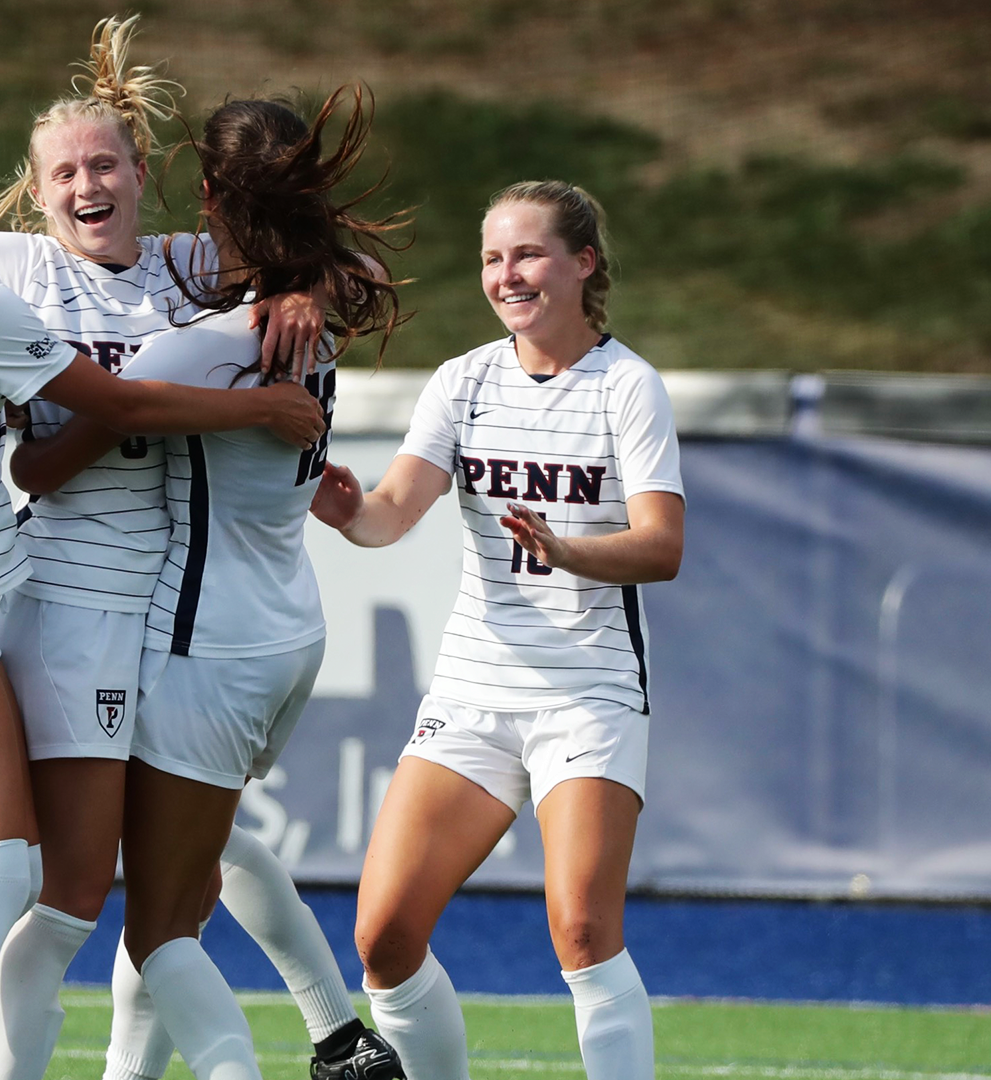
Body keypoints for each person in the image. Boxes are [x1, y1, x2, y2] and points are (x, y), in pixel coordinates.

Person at [0, 18, 397, 1080]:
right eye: (61, 171)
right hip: (71, 605)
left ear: (140, 174)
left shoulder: (183, 267)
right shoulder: (2, 266)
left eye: (105, 162)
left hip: (178, 617)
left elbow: (319, 253)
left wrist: (306, 286)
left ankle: (316, 1033)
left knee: (174, 865)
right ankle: (321, 1034)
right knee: (64, 895)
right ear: (33, 196)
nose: (87, 183)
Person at [5, 87, 404, 1080]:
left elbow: (37, 470)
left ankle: (328, 1049)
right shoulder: (314, 314)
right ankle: (327, 1033)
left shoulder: (196, 346)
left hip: (203, 646)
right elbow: (365, 267)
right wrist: (304, 287)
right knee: (183, 877)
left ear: (210, 189)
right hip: (286, 633)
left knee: (158, 929)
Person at [310, 181, 684, 1080]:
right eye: (491, 257)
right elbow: (392, 514)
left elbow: (662, 547)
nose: (505, 274)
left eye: (527, 254)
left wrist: (568, 549)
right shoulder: (464, 379)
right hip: (475, 690)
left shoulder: (629, 387)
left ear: (583, 263)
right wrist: (342, 506)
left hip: (587, 693)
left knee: (584, 931)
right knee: (384, 934)